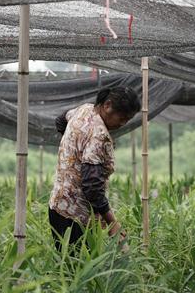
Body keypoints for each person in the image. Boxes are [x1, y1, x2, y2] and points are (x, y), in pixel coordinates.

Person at [48, 85, 140, 251]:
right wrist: (113, 224)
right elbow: (92, 186)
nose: (123, 123)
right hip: (76, 217)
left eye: (128, 119)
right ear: (107, 105)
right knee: (78, 271)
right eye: (122, 117)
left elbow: (60, 120)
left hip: (57, 207)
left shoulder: (84, 110)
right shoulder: (99, 135)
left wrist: (73, 150)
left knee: (66, 268)